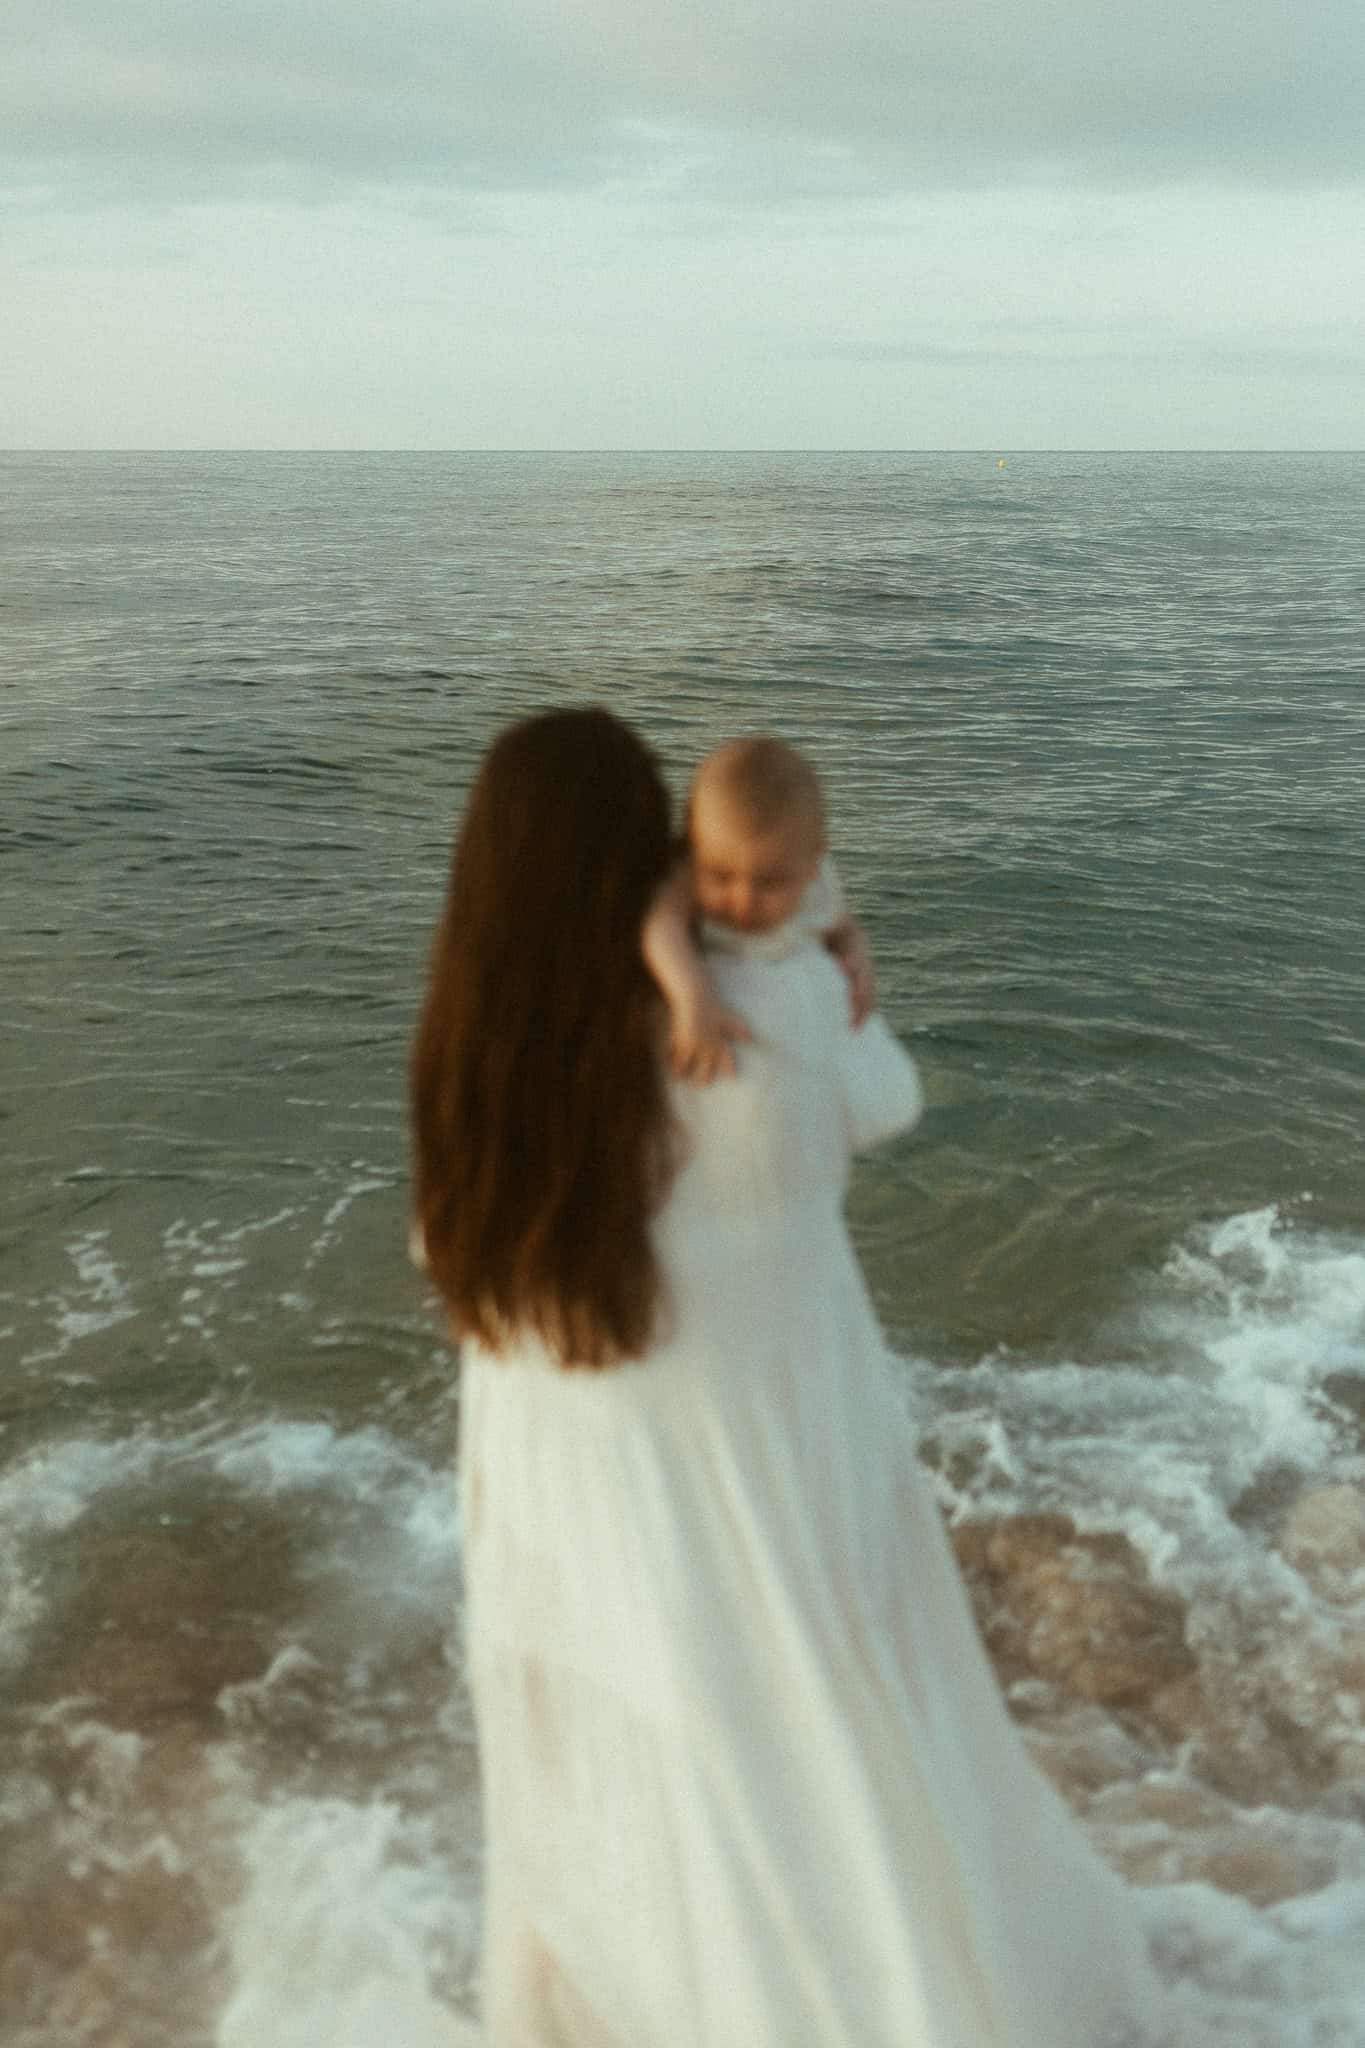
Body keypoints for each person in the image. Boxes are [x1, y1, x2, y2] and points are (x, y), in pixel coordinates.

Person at [411, 706, 1168, 2047]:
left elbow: (441, 1252)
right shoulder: (765, 1016)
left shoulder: (473, 1066)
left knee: (645, 1793)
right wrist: (823, 932)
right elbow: (885, 1100)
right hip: (778, 1464)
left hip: (565, 1507)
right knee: (826, 1756)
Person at [642, 735, 874, 1084]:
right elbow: (659, 925)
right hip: (711, 1022)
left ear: (813, 864)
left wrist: (857, 956)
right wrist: (692, 996)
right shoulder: (691, 873)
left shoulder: (818, 882)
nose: (744, 900)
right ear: (693, 849)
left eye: (770, 883)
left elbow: (842, 927)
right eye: (721, 877)